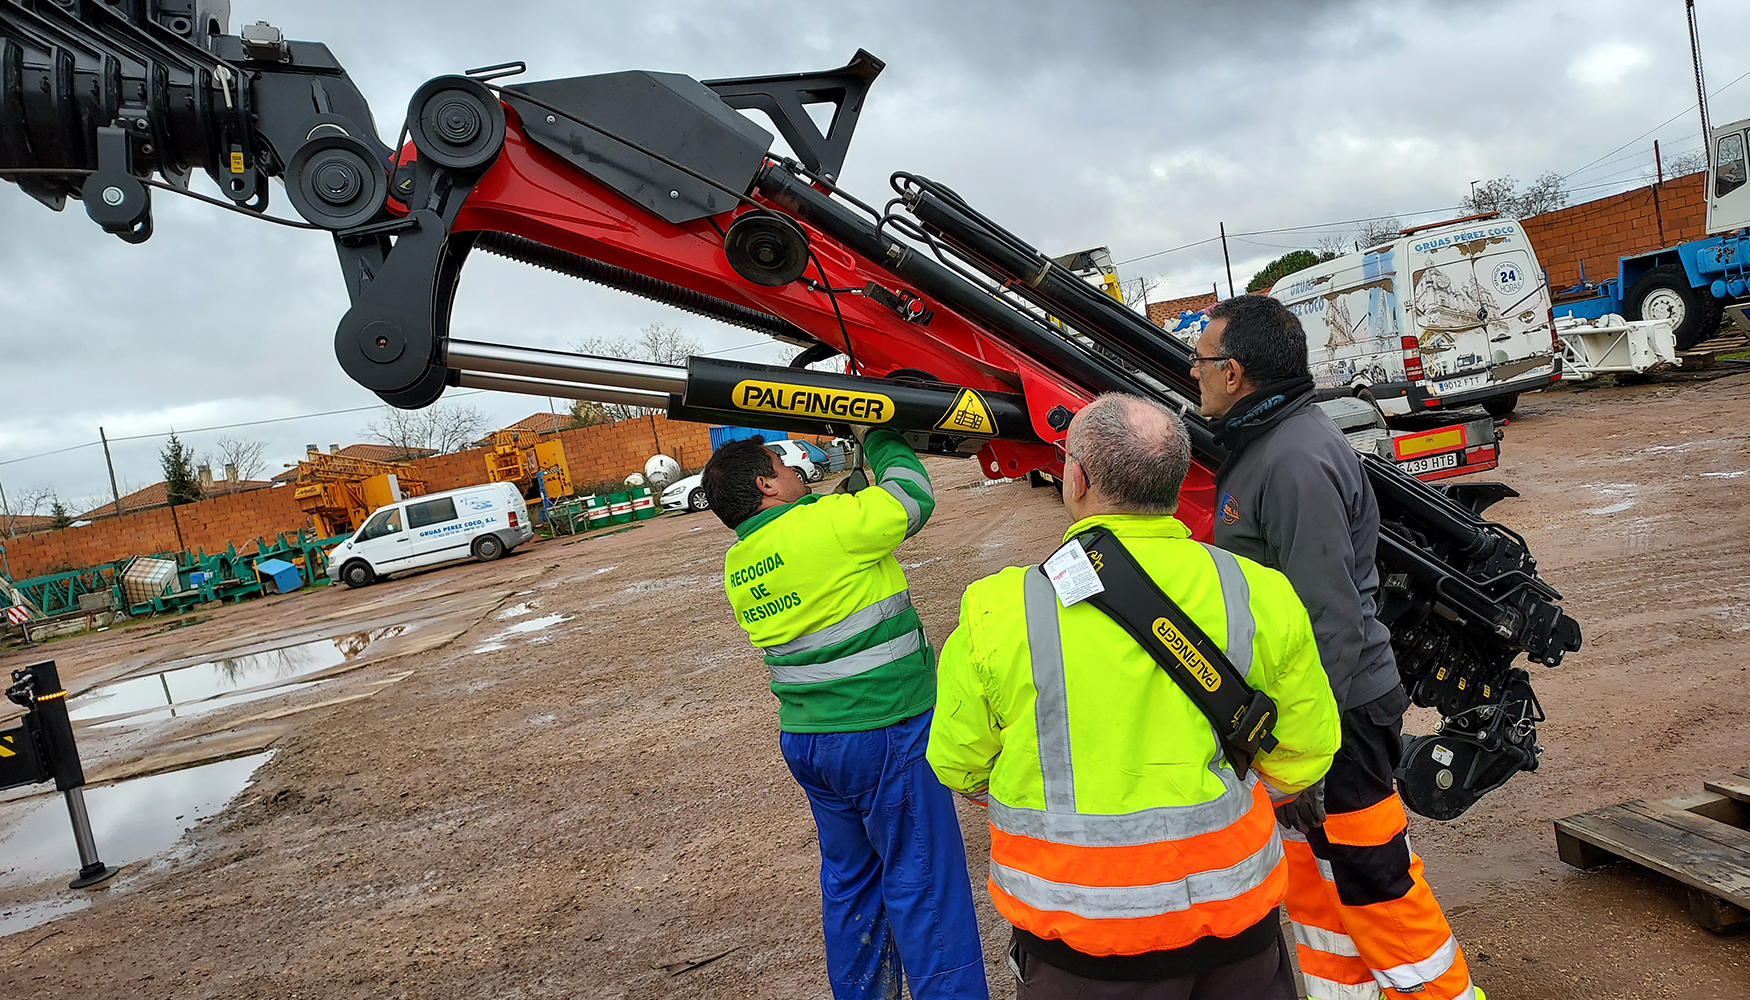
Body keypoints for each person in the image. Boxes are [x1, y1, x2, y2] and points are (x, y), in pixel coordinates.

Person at [926, 393, 1341, 1000]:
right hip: (1235, 932)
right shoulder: (1259, 592)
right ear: (1175, 481)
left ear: (1078, 479)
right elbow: (1305, 755)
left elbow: (958, 764)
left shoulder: (999, 610)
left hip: (1078, 946)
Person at [1194, 295, 1482, 1000]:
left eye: (1200, 359)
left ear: (1234, 374)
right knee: (1321, 891)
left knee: (1373, 881)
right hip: (1319, 711)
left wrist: (1299, 743)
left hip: (1338, 714)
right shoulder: (1268, 444)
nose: (1191, 371)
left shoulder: (1293, 462)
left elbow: (1329, 622)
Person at [702, 432, 989, 1000]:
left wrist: (840, 496)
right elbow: (911, 495)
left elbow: (824, 540)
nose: (795, 468)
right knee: (924, 883)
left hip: (812, 743)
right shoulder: (829, 524)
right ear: (765, 484)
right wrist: (880, 436)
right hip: (883, 731)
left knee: (851, 885)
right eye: (783, 464)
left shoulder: (742, 562)